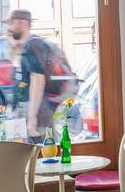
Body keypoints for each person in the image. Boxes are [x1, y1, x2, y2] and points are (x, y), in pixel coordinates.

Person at [4, 9, 76, 142]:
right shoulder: (23, 47)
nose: (9, 28)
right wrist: (13, 43)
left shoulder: (33, 46)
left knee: (43, 153)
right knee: (26, 153)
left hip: (37, 111)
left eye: (11, 23)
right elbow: (20, 77)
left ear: (23, 23)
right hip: (27, 110)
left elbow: (37, 81)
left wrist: (32, 118)